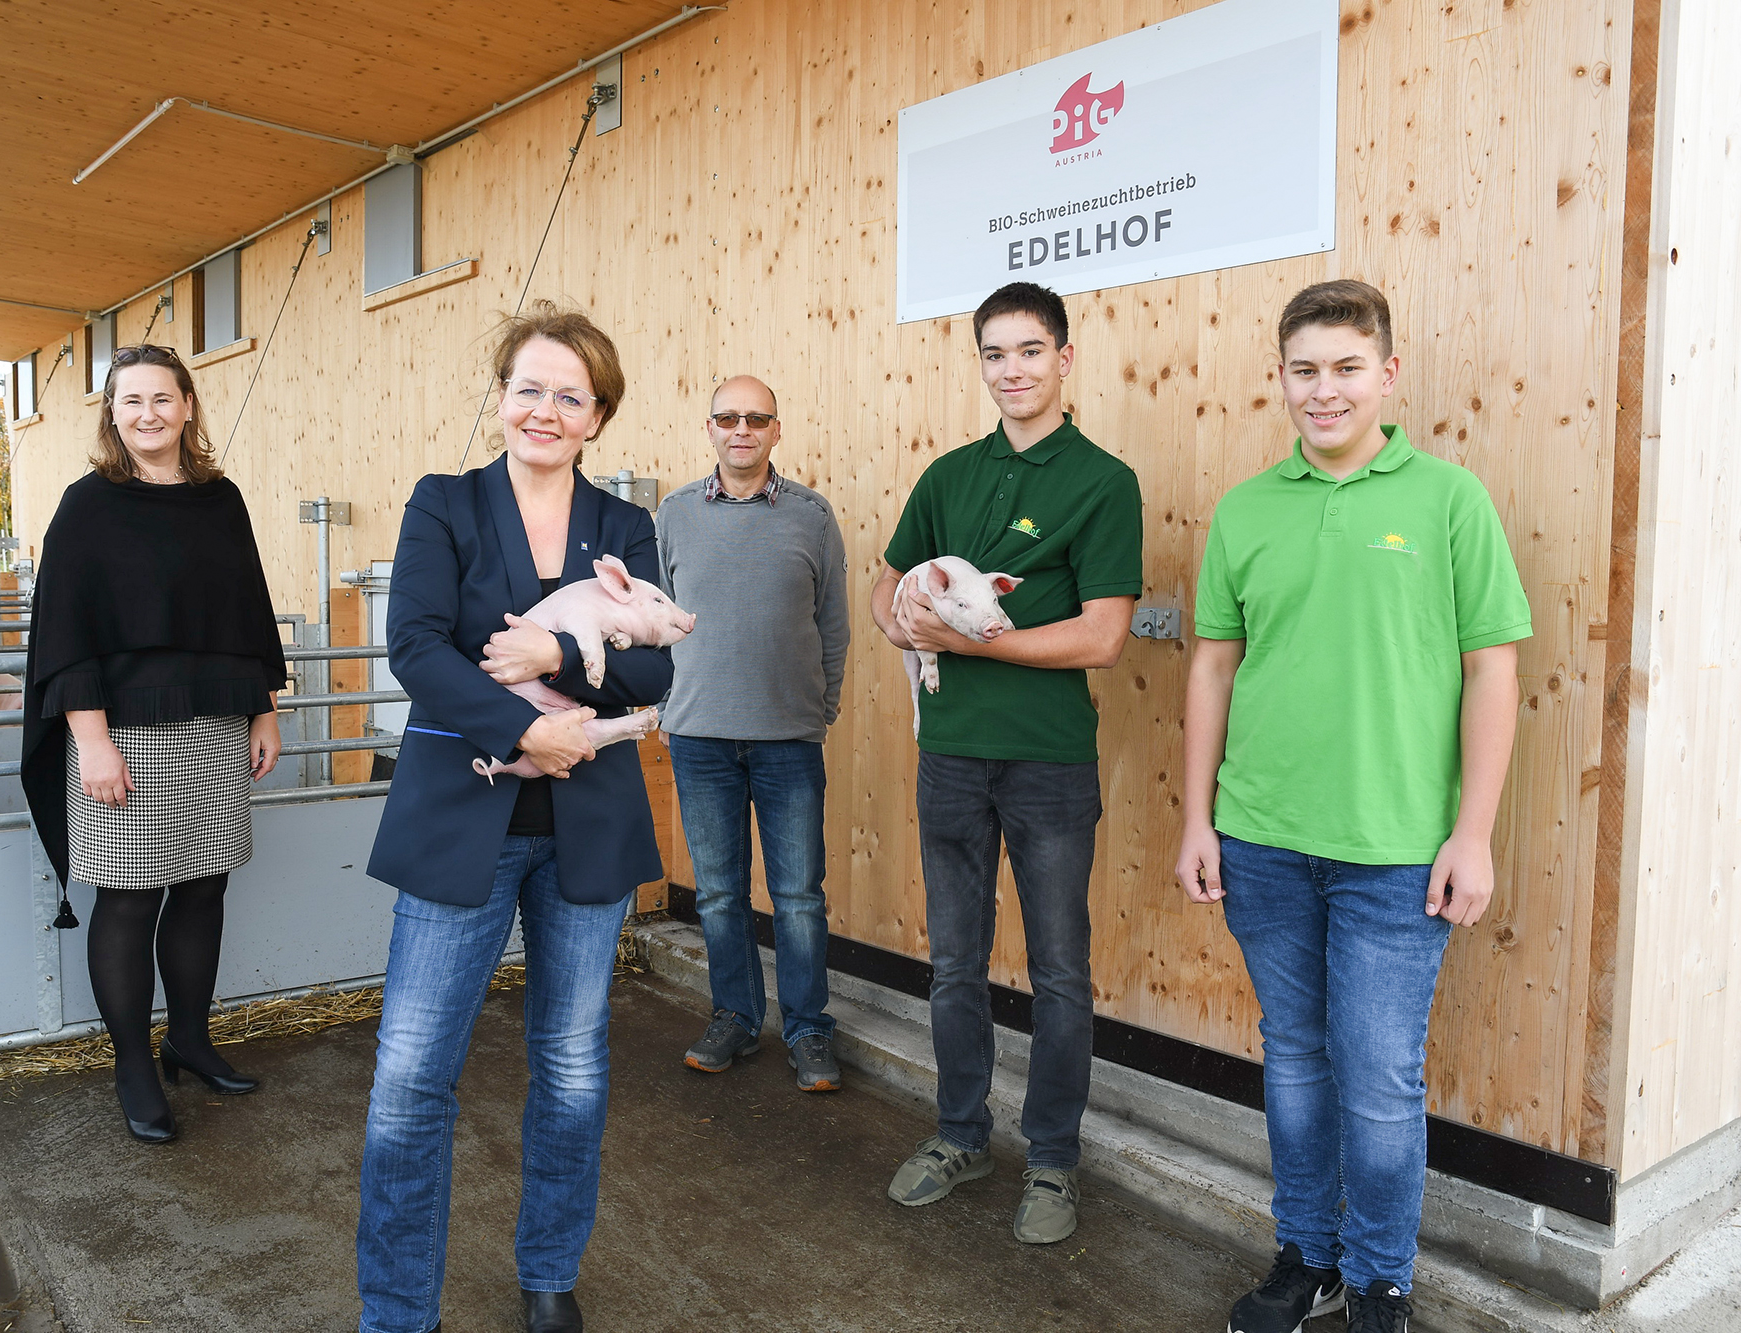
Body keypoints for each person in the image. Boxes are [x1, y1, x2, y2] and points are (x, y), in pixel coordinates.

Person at [1173, 280, 1529, 1333]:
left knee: (1375, 1080)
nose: (1320, 391)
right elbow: (1210, 670)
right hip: (1262, 839)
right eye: (1301, 370)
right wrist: (1198, 817)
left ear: (1385, 373)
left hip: (1392, 851)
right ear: (1277, 376)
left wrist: (1472, 832)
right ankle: (1308, 1258)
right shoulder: (1246, 508)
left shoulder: (1447, 499)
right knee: (1292, 1059)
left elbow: (1491, 672)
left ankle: (1379, 1279)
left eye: (1343, 368)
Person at [358, 302, 673, 1333]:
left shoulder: (625, 527)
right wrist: (523, 725)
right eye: (527, 387)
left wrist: (549, 660)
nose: (544, 409)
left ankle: (547, 1271)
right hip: (465, 816)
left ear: (596, 416)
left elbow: (657, 660)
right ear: (500, 398)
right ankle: (399, 1310)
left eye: (568, 396)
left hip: (585, 826)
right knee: (411, 1076)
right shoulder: (443, 503)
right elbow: (413, 647)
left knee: (572, 1066)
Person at [870, 281, 1142, 1244]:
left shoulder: (1104, 481)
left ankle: (1055, 1162)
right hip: (949, 756)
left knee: (1060, 969)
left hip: (1048, 763)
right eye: (994, 353)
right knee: (953, 964)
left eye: (1029, 350)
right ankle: (959, 1134)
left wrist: (974, 643)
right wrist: (900, 616)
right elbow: (885, 591)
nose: (1012, 369)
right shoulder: (948, 474)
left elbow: (1103, 636)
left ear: (1064, 358)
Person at [19, 344, 287, 1145]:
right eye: (130, 401)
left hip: (214, 724)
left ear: (188, 405)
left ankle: (190, 1038)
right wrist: (92, 743)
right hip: (122, 732)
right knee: (131, 898)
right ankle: (133, 1060)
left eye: (162, 399)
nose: (148, 414)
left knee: (205, 886)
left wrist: (265, 711)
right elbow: (64, 631)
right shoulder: (88, 505)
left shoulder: (221, 500)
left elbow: (248, 614)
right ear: (112, 412)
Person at [655, 375, 850, 1091]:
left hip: (788, 738)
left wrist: (820, 707)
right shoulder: (673, 515)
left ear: (776, 430)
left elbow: (833, 622)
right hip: (699, 739)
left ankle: (807, 1030)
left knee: (798, 894)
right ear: (709, 429)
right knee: (717, 893)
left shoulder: (812, 516)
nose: (742, 429)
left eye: (756, 418)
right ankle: (735, 1016)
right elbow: (651, 621)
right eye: (727, 417)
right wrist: (669, 706)